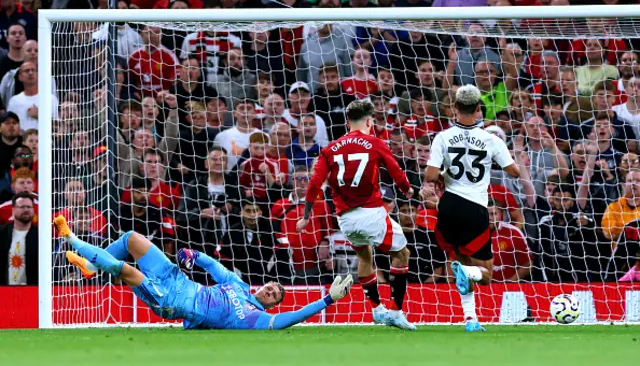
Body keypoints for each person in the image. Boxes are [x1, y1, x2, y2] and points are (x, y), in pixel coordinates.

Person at [55, 214, 353, 329]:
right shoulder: (238, 285)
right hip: (178, 278)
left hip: (173, 301)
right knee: (132, 238)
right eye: (271, 286)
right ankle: (91, 267)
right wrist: (193, 255)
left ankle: (71, 238)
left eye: (274, 294)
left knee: (125, 270)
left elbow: (292, 318)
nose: (269, 290)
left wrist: (328, 299)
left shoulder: (256, 319)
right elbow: (214, 266)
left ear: (273, 305)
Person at [298, 99, 417, 330]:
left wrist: (305, 216)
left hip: (345, 220)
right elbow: (395, 171)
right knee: (403, 253)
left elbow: (314, 184)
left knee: (365, 257)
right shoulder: (375, 142)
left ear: (346, 123)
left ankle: (376, 309)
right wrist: (407, 189)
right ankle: (395, 311)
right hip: (371, 212)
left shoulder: (329, 149)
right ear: (369, 122)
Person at [425, 85, 521, 332]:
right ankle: (465, 272)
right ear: (479, 109)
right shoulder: (491, 139)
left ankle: (470, 319)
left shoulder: (442, 137)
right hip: (475, 208)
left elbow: (430, 174)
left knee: (462, 260)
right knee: (485, 275)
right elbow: (514, 172)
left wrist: (445, 175)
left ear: (454, 108)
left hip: (447, 207)